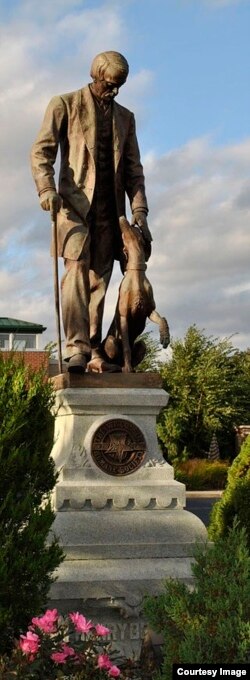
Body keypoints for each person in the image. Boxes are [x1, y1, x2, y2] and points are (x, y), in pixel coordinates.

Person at [31, 51, 151, 372]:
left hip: (109, 212)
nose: (114, 91)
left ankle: (94, 347)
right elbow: (42, 151)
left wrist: (139, 211)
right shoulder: (65, 104)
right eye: (110, 85)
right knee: (76, 272)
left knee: (99, 281)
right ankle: (76, 348)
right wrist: (46, 189)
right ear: (95, 76)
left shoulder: (126, 118)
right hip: (72, 207)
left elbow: (133, 171)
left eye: (119, 86)